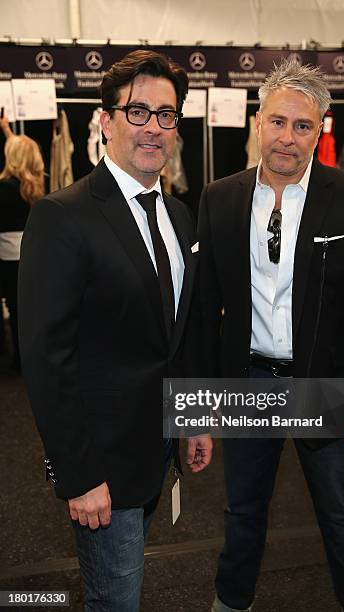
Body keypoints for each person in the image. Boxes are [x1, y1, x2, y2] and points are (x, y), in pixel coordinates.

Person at [198, 57, 344, 612]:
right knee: (242, 512)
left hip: (328, 386)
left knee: (340, 513)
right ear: (258, 121)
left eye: (303, 126)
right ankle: (232, 602)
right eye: (279, 122)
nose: (288, 138)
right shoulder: (220, 198)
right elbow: (203, 308)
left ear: (320, 129)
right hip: (251, 383)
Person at [19, 49, 212, 612]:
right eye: (138, 112)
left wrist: (194, 420)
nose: (154, 127)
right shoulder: (63, 215)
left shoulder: (178, 216)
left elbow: (178, 335)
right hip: (101, 469)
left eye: (167, 114)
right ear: (105, 120)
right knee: (115, 601)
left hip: (157, 453)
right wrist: (78, 476)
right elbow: (46, 356)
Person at [0, 117, 44, 371]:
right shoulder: (35, 187)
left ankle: (18, 358)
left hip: (8, 257)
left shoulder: (5, 188)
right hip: (32, 256)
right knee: (30, 309)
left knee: (16, 310)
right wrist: (7, 130)